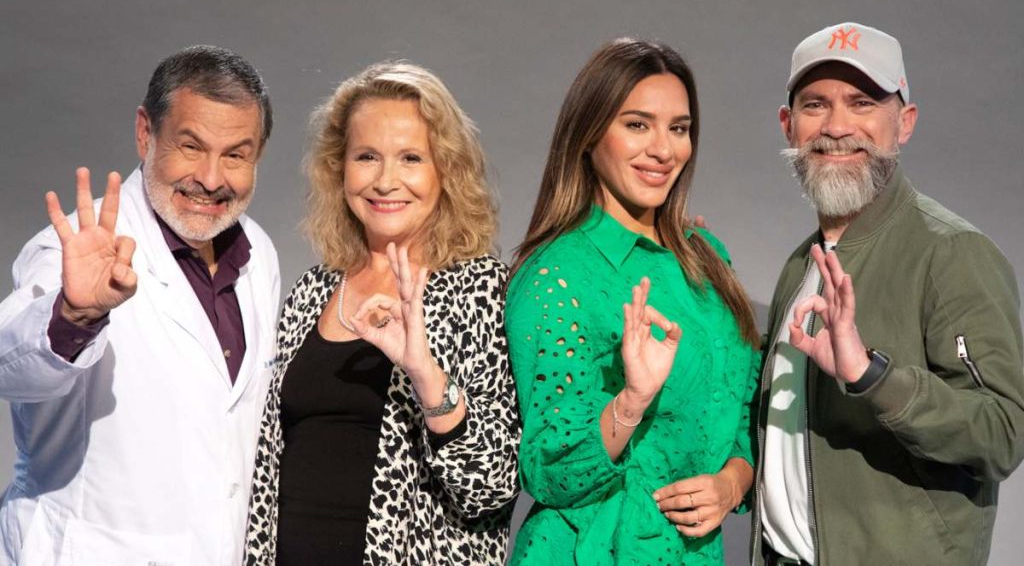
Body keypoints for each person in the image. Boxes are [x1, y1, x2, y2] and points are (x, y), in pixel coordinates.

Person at [752, 22, 1024, 566]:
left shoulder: (952, 252)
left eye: (863, 102)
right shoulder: (800, 265)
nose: (837, 127)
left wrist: (870, 375)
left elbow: (1002, 433)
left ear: (905, 123)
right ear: (788, 125)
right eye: (815, 104)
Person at [0, 45, 279, 565]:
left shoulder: (258, 252)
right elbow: (7, 367)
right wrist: (75, 316)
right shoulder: (78, 249)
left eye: (235, 155)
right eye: (191, 146)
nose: (211, 179)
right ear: (146, 133)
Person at [244, 62, 520, 565]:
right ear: (340, 169)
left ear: (446, 171)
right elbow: (267, 469)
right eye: (367, 156)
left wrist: (425, 375)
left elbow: (492, 487)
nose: (386, 180)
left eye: (411, 158)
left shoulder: (481, 289)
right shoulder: (312, 291)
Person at [506, 38, 761, 566]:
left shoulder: (708, 256)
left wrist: (732, 483)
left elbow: (742, 411)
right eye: (637, 125)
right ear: (589, 134)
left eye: (679, 128)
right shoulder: (556, 275)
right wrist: (632, 401)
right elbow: (548, 474)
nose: (664, 150)